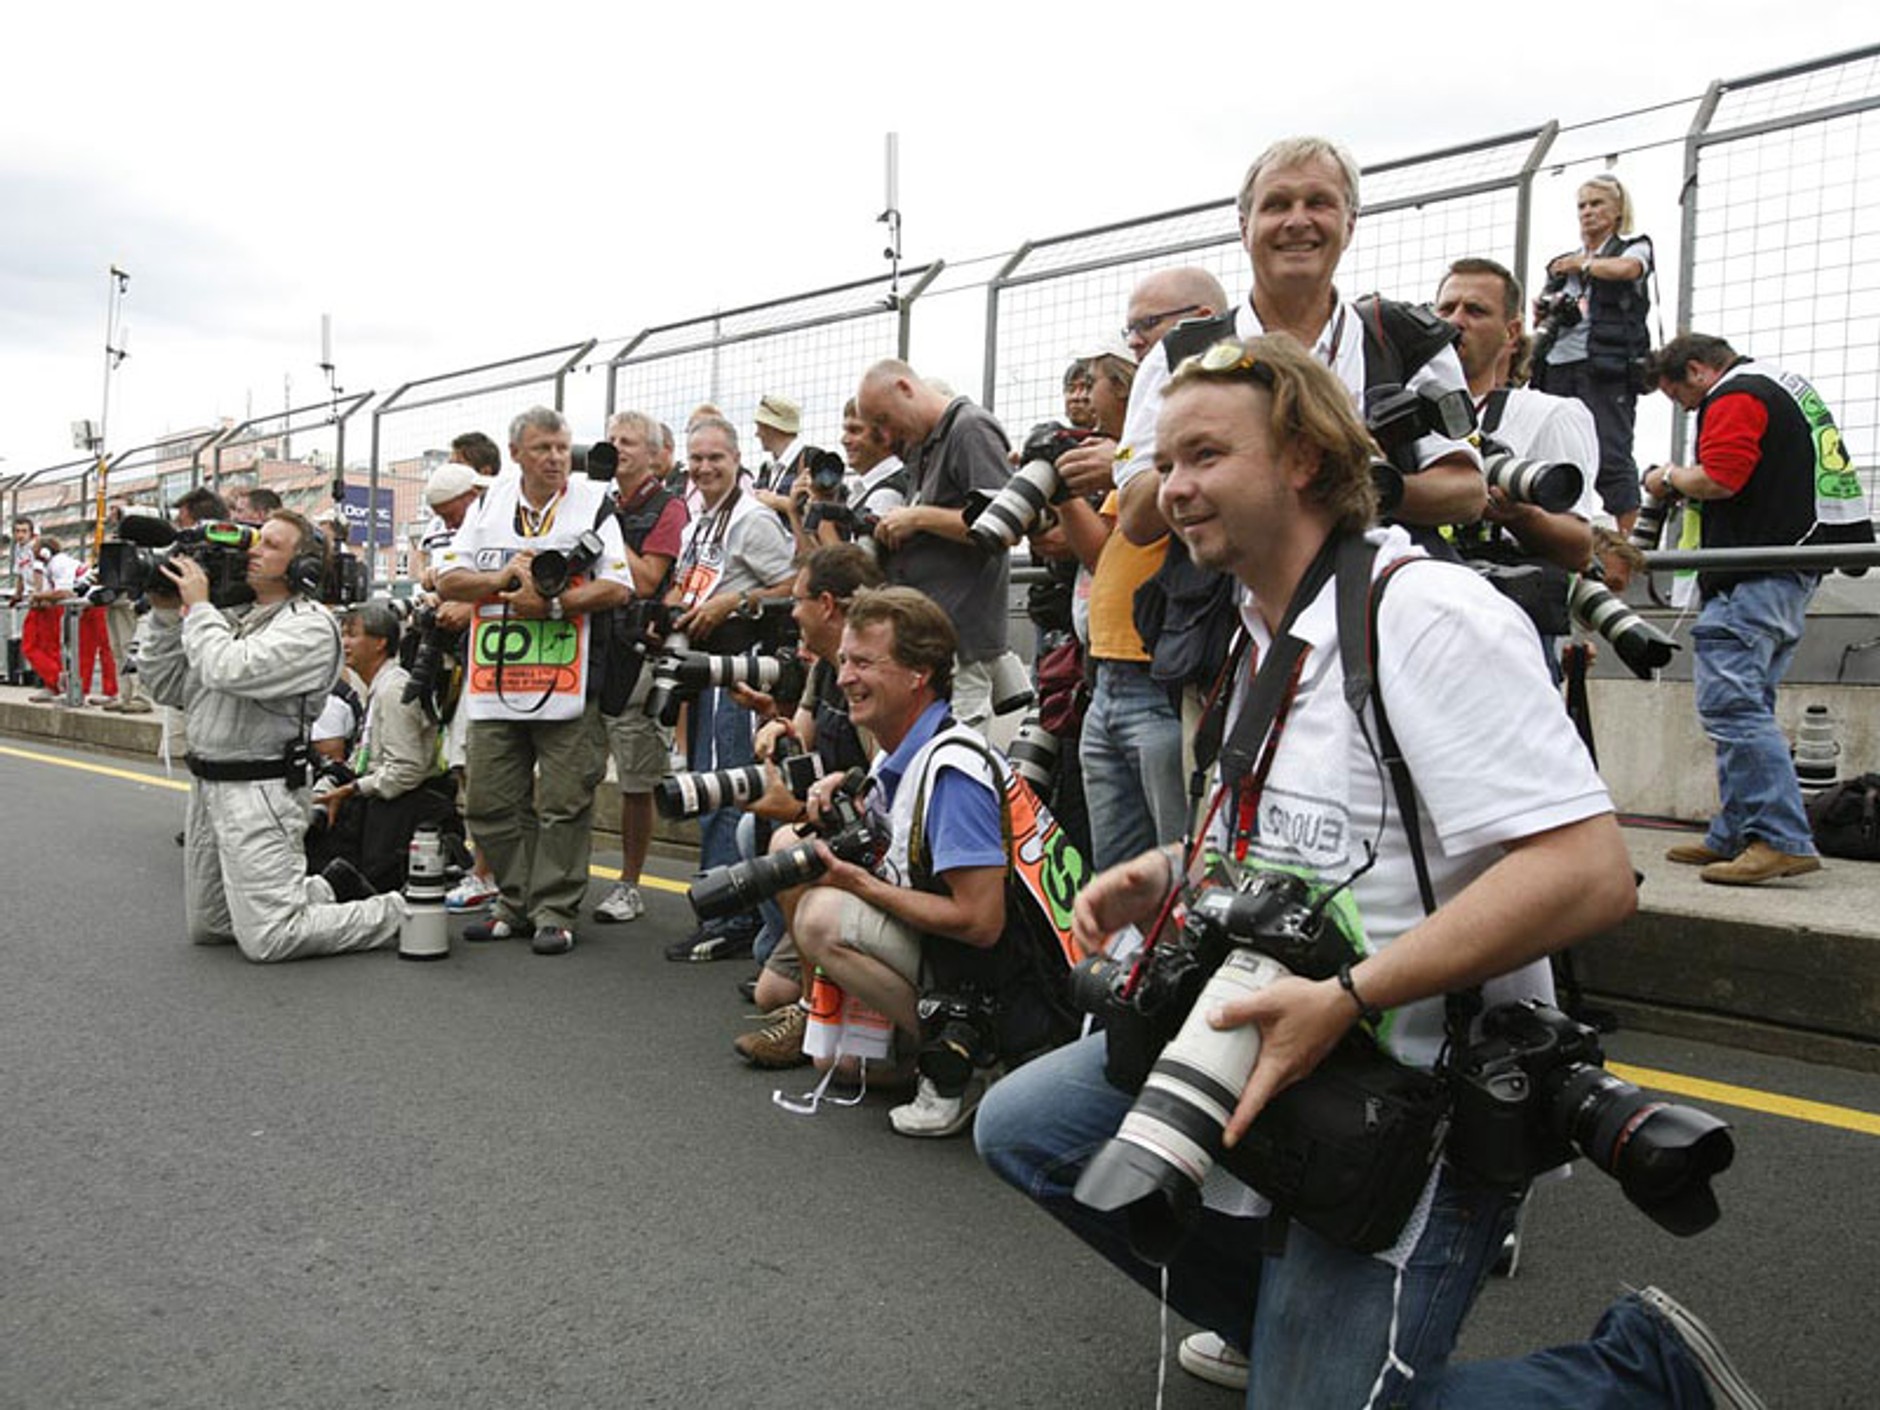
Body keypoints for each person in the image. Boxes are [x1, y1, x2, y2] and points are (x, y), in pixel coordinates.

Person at [973, 335, 1753, 1406]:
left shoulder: (1424, 615)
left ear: (1303, 459)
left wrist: (1347, 995)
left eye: (1204, 455)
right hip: (1276, 1050)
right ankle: (1300, 1344)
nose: (1171, 487)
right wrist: (1169, 866)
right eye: (1163, 460)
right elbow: (1309, 835)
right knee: (1026, 1128)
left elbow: (1588, 875)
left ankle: (1633, 1377)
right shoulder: (1262, 624)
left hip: (1411, 1091)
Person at [1645, 332, 1871, 887]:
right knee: (1746, 705)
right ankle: (1736, 831)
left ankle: (1779, 838)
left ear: (1696, 371)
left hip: (1753, 578)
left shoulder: (1737, 394)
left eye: (1681, 398)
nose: (1688, 410)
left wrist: (1668, 477)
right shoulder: (1779, 386)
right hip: (1785, 570)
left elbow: (1720, 477)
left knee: (1731, 707)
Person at [790, 586, 1013, 1137]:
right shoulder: (899, 752)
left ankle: (972, 1060)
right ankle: (920, 1048)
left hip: (992, 981)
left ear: (919, 674)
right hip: (947, 959)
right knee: (840, 1064)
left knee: (820, 915)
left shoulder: (953, 771)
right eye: (844, 661)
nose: (844, 678)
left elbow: (983, 923)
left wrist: (859, 885)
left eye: (864, 663)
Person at [136, 510, 407, 962]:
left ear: (302, 567)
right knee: (211, 926)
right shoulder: (232, 617)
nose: (254, 551)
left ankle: (400, 912)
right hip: (208, 786)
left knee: (271, 938)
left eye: (271, 545)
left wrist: (199, 608)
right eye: (256, 541)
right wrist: (166, 614)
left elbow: (229, 669)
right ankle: (328, 887)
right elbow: (167, 687)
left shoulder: (311, 626)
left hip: (260, 790)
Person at [434, 406, 631, 957]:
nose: (555, 458)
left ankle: (554, 911)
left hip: (567, 682)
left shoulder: (593, 503)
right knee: (489, 802)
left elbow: (619, 585)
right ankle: (514, 901)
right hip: (495, 683)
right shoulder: (488, 504)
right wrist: (501, 580)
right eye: (543, 448)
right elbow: (448, 576)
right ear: (515, 452)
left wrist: (551, 603)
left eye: (562, 448)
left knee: (564, 803)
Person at [1063, 271, 1231, 872]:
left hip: (1161, 675)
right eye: (1129, 328)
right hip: (1106, 675)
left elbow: (1142, 521)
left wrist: (1126, 464)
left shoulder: (1201, 431)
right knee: (1117, 872)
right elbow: (1106, 549)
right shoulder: (1128, 454)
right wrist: (1062, 490)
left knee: (1179, 863)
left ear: (1203, 320)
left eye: (1147, 326)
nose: (1134, 341)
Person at [729, 543, 884, 1067]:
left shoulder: (873, 677)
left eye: (797, 600)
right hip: (840, 818)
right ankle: (795, 967)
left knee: (785, 840)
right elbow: (803, 742)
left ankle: (811, 1007)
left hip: (873, 841)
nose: (791, 612)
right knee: (767, 991)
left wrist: (797, 814)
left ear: (827, 604)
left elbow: (882, 799)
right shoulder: (824, 669)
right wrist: (773, 719)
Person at [662, 413, 798, 962]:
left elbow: (793, 583)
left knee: (728, 789)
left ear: (737, 460)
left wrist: (735, 603)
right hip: (705, 668)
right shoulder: (701, 521)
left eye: (715, 457)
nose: (704, 468)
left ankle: (733, 915)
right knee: (708, 785)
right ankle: (720, 904)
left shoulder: (752, 519)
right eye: (696, 459)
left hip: (739, 667)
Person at [856, 359, 1017, 729]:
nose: (885, 435)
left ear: (905, 388)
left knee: (957, 750)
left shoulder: (970, 428)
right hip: (929, 643)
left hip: (962, 643)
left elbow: (1005, 525)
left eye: (883, 419)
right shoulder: (926, 445)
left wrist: (917, 517)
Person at [593, 409, 689, 925]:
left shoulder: (669, 508)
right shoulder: (596, 502)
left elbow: (649, 578)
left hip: (636, 658)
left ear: (655, 454)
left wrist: (605, 530)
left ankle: (629, 884)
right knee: (577, 771)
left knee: (635, 780)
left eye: (627, 442)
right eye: (611, 440)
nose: (616, 449)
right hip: (589, 649)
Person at [308, 601, 458, 894]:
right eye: (342, 634)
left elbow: (407, 769)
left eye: (353, 635)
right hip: (381, 804)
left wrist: (353, 788)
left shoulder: (394, 690)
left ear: (380, 643)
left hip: (399, 810)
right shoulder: (379, 687)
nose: (344, 643)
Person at [1533, 173, 1654, 531]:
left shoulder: (1632, 248)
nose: (1587, 212)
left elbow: (1629, 270)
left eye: (1597, 204)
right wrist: (1544, 309)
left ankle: (1629, 544)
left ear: (1617, 211)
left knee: (1611, 455)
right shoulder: (1561, 264)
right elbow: (1546, 309)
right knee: (1553, 453)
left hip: (1606, 368)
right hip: (1556, 365)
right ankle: (1555, 535)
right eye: (1582, 205)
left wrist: (1583, 265)